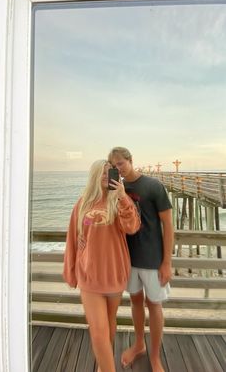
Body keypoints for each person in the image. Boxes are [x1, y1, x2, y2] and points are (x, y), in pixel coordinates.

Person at [63, 159, 141, 372]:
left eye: (111, 172)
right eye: (103, 172)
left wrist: (123, 197)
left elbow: (132, 227)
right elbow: (73, 239)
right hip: (89, 276)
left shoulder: (119, 202)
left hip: (115, 274)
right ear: (95, 176)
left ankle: (101, 365)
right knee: (98, 331)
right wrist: (71, 272)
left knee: (109, 324)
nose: (107, 176)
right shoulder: (82, 204)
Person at [108, 147, 174, 372]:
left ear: (130, 160)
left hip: (153, 259)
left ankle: (155, 357)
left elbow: (168, 225)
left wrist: (167, 262)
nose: (118, 169)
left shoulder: (153, 186)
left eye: (121, 164)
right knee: (135, 301)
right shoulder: (116, 189)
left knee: (154, 305)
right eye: (114, 166)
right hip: (129, 258)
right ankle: (139, 345)